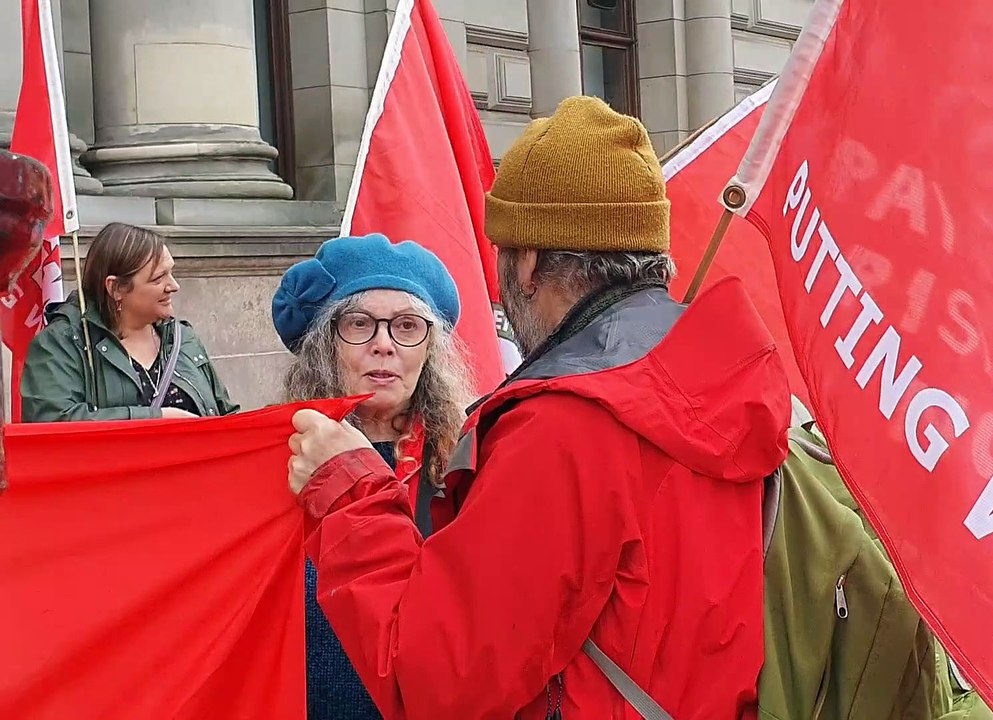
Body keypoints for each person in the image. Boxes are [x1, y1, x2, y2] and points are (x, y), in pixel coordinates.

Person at [287, 96, 791, 719]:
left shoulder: (565, 423)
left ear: (527, 263)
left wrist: (352, 491)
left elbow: (440, 678)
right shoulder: (722, 382)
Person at [271, 232, 473, 720]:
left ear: (431, 351)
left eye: (407, 326)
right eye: (359, 324)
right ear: (324, 344)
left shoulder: (468, 463)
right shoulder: (284, 459)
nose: (384, 345)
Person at [20, 222, 238, 422]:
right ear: (116, 288)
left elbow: (226, 415)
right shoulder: (63, 344)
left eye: (171, 273)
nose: (174, 286)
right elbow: (52, 423)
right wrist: (156, 418)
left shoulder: (182, 337)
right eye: (158, 278)